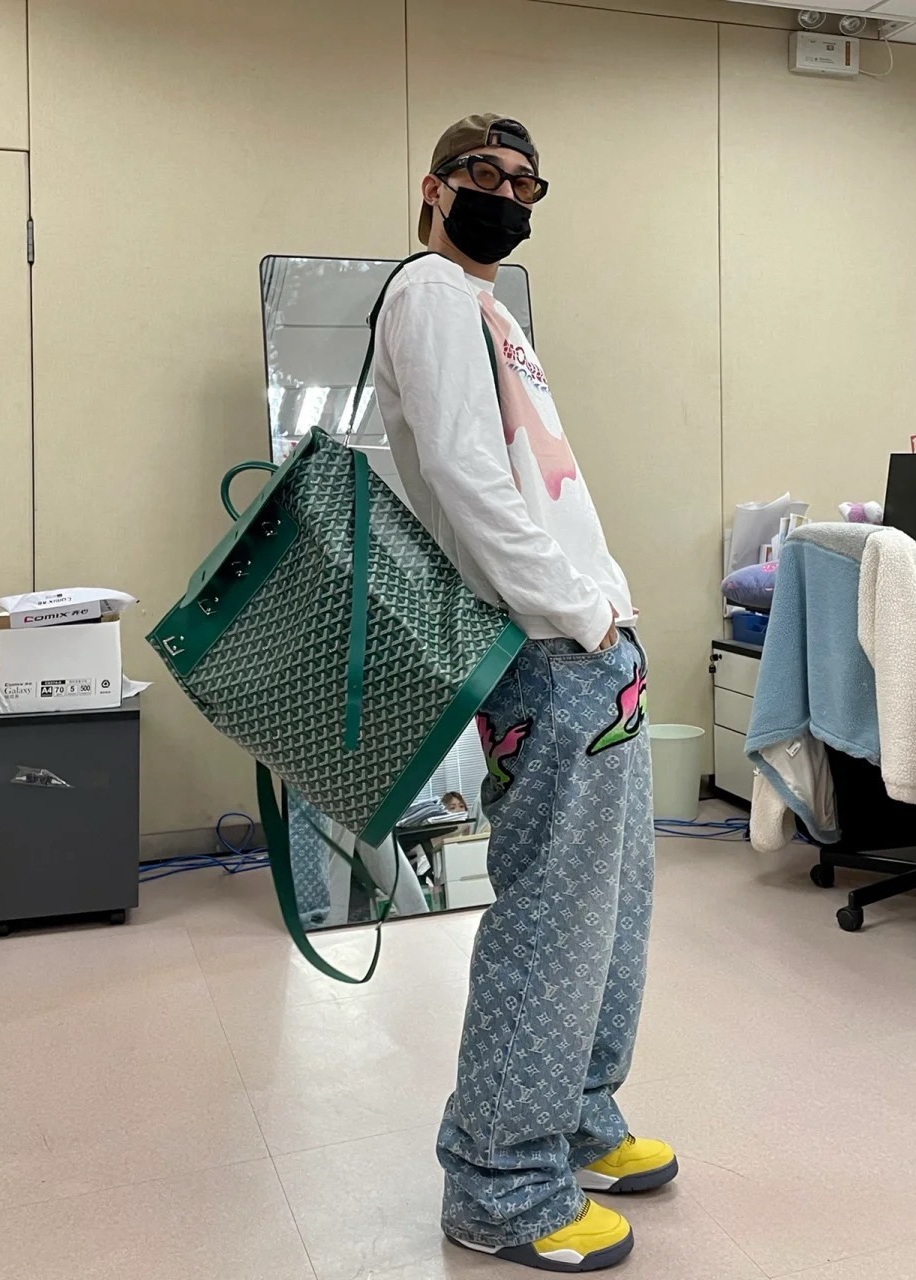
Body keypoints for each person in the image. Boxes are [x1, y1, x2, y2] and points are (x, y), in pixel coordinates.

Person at [373, 113, 674, 1273]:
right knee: (550, 917)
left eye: (522, 181)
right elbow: (462, 471)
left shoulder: (490, 310)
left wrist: (609, 611)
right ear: (433, 187)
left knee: (610, 910)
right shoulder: (428, 294)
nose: (504, 194)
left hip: (589, 644)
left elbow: (539, 482)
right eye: (482, 175)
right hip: (547, 648)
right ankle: (499, 1183)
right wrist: (574, 613)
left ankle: (580, 1118)